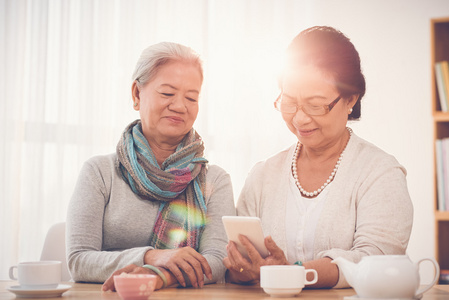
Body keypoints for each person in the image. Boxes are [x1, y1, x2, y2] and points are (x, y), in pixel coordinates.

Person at [223, 26, 413, 289]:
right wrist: (242, 270)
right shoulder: (263, 175)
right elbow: (237, 260)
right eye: (289, 102)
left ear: (350, 100)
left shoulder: (380, 173)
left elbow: (376, 258)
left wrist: (293, 273)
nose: (300, 119)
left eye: (315, 105)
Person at [66, 42, 235, 292]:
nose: (180, 106)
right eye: (167, 93)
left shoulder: (215, 180)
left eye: (191, 97)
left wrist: (157, 276)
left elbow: (217, 261)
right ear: (136, 94)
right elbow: (79, 260)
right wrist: (151, 257)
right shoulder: (99, 172)